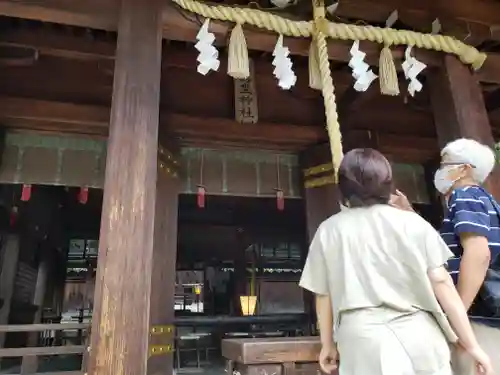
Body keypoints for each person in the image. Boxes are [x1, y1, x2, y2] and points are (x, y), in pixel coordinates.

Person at [299, 148, 493, 375]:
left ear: (342, 185)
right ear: (387, 182)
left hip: (363, 339)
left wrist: (327, 345)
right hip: (420, 334)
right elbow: (442, 284)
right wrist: (472, 345)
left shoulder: (329, 230)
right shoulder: (413, 224)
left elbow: (323, 294)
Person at [390, 138, 500, 375]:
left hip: (478, 316)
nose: (441, 170)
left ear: (464, 169)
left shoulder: (465, 196)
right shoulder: (484, 199)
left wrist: (457, 313)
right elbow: (445, 247)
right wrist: (410, 213)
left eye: (446, 163)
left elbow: (479, 254)